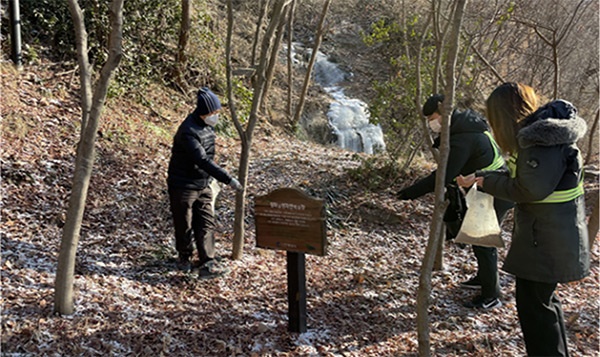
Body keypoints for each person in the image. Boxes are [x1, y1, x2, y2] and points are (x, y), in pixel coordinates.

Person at [457, 82, 589, 356]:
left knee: (535, 308)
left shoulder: (540, 143)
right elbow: (522, 179)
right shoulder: (541, 138)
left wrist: (483, 183)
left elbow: (529, 189)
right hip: (550, 234)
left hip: (549, 239)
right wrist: (481, 177)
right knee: (543, 304)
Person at [397, 94, 513, 309]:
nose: (432, 124)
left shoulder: (462, 138)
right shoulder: (470, 125)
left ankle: (491, 295)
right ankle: (483, 278)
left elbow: (444, 174)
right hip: (490, 187)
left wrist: (408, 193)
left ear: (444, 114)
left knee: (483, 242)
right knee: (479, 241)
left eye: (433, 118)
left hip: (493, 191)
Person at [167, 87, 243, 279]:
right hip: (183, 185)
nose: (216, 116)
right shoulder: (188, 131)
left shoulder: (207, 126)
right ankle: (184, 257)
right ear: (204, 112)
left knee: (206, 222)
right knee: (184, 223)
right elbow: (201, 160)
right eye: (214, 112)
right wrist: (227, 179)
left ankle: (207, 260)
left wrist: (211, 179)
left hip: (203, 183)